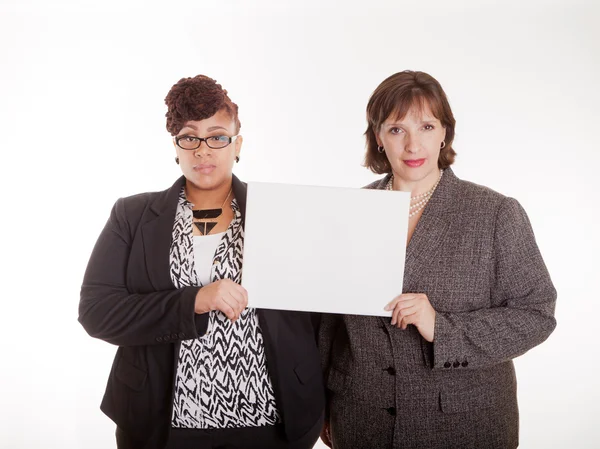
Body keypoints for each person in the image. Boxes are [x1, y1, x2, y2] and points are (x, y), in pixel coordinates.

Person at [79, 75, 324, 449]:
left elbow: (320, 314)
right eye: (190, 137)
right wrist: (194, 300)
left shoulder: (282, 213)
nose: (203, 150)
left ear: (237, 144)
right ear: (175, 147)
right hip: (163, 425)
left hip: (270, 420)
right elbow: (97, 312)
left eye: (217, 136)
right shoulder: (131, 215)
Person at [318, 70, 557, 449]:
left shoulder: (495, 213)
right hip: (362, 421)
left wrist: (441, 328)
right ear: (378, 137)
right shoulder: (349, 212)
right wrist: (321, 406)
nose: (413, 145)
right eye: (397, 129)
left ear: (445, 132)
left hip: (465, 425)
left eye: (426, 126)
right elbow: (327, 324)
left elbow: (537, 314)